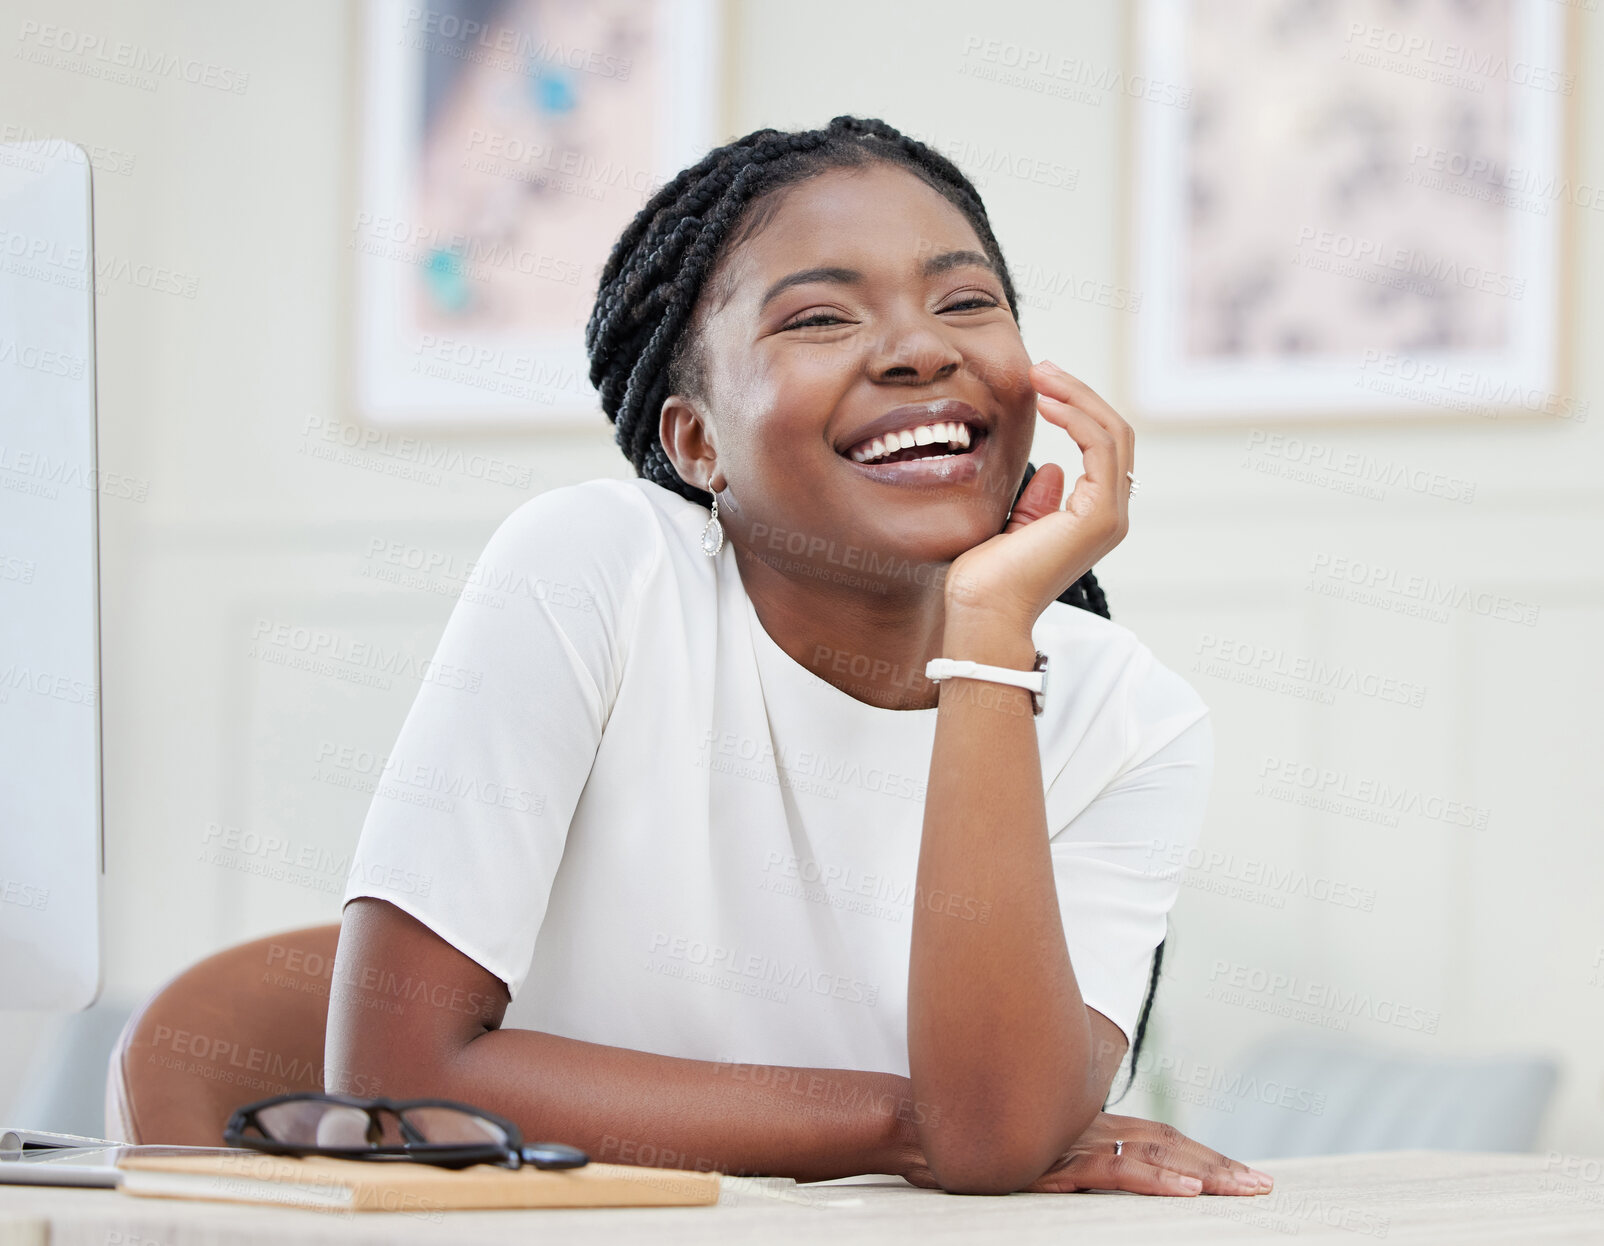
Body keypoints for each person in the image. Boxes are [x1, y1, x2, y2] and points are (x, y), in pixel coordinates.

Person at [327, 115, 1273, 1197]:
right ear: (694, 443)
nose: (922, 348)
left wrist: (988, 635)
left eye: (966, 301)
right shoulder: (593, 568)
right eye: (819, 317)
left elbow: (991, 1142)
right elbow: (392, 1082)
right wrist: (899, 1117)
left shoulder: (1130, 715)